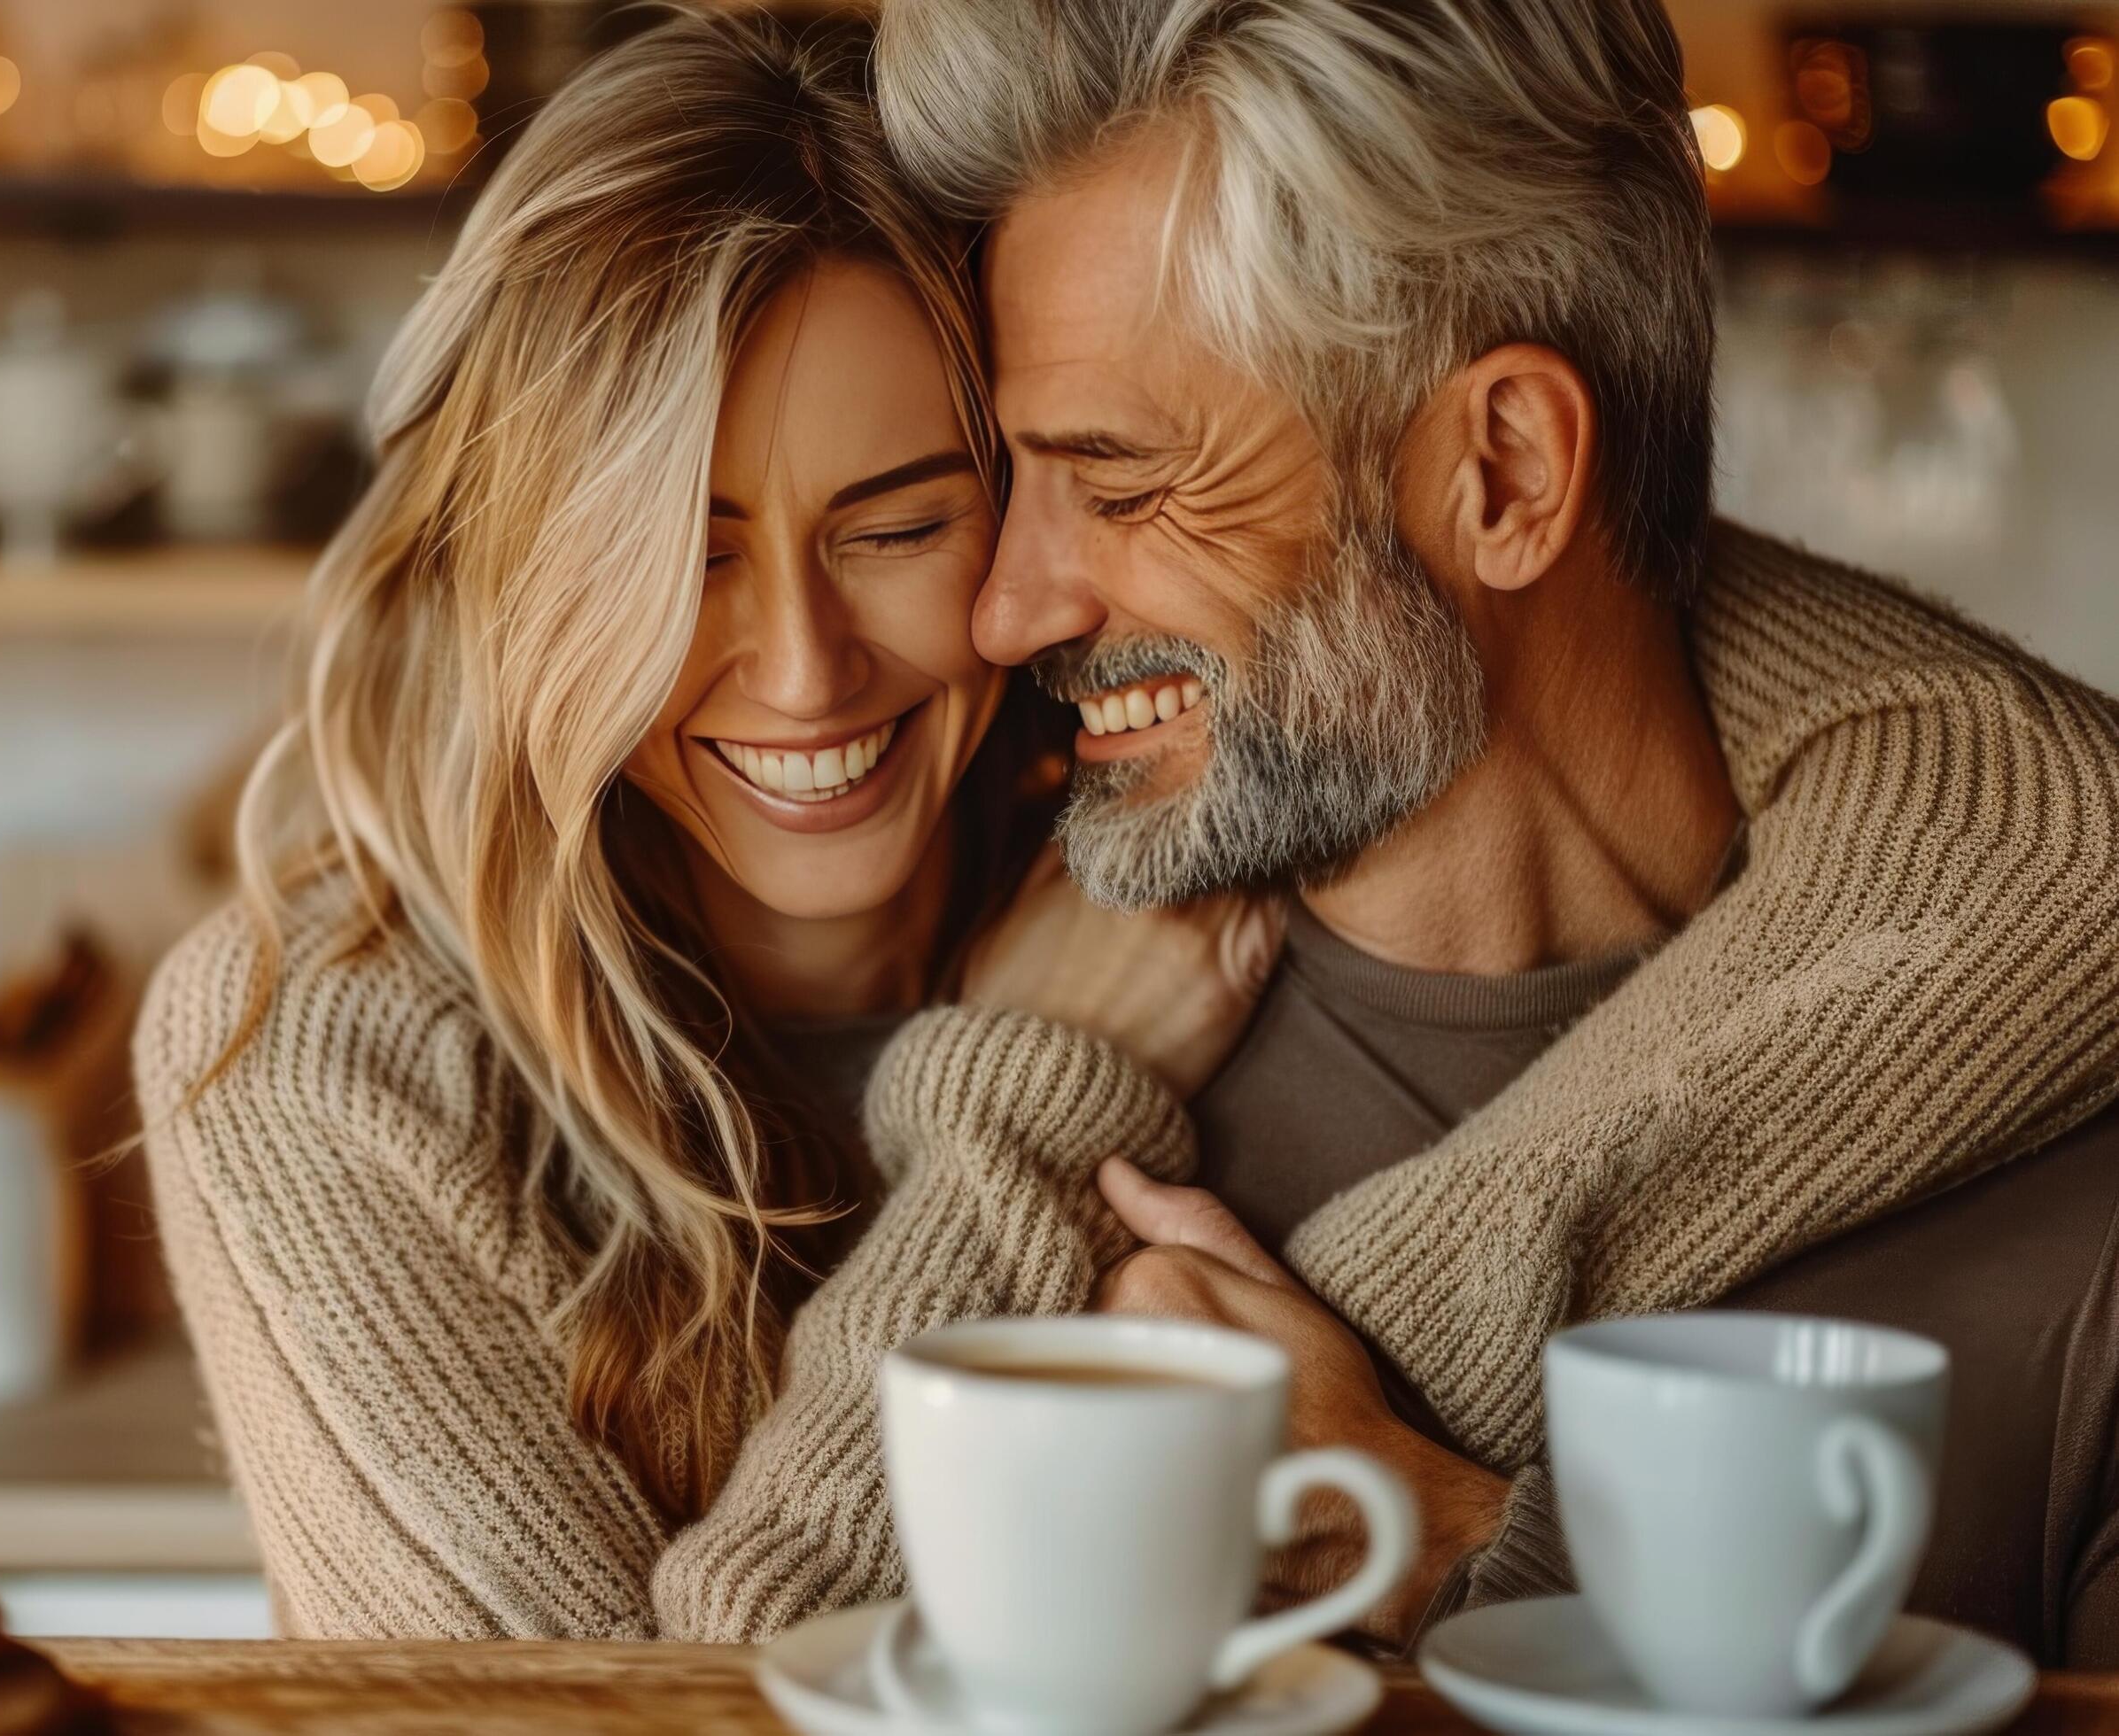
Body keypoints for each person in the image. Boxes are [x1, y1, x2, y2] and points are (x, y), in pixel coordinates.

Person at [873, 0, 2119, 1663]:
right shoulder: (979, 1016)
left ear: (1507, 473)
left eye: (1115, 482)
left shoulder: (2082, 1184)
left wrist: (1452, 1550)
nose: (1009, 609)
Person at [134, 8, 1268, 1642]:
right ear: (524, 569)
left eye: (896, 525)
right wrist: (1032, 1108)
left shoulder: (1203, 868)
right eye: (687, 551)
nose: (804, 671)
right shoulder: (317, 1055)